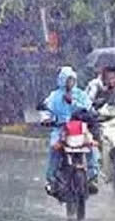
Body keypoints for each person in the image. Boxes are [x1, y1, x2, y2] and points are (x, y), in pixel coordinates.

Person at [41, 66, 101, 195]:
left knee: (91, 147)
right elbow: (46, 109)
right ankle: (51, 180)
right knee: (54, 149)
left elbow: (88, 108)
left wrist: (74, 104)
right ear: (62, 80)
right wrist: (46, 119)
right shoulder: (54, 96)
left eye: (72, 80)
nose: (70, 83)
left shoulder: (80, 94)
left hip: (79, 129)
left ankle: (93, 177)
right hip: (60, 129)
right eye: (67, 80)